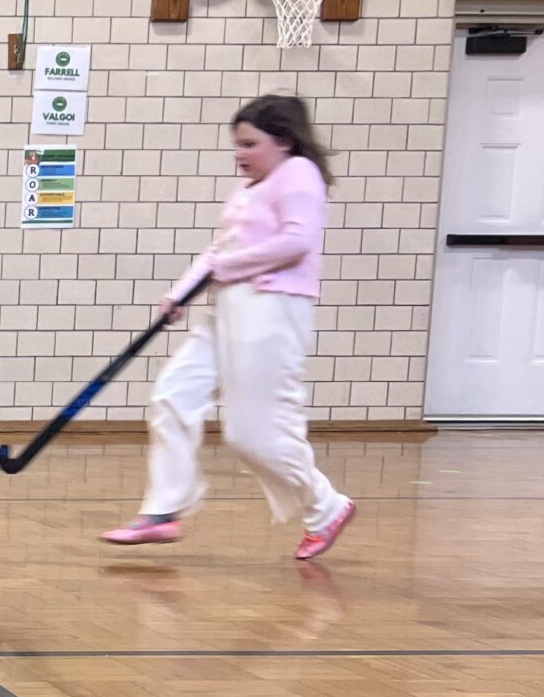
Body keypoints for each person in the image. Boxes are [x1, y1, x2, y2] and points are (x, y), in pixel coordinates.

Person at [103, 94, 356, 560]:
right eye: (236, 146)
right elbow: (219, 250)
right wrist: (180, 293)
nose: (240, 155)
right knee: (173, 395)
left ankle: (327, 506)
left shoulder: (298, 173)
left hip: (272, 308)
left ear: (283, 141)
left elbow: (297, 242)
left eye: (249, 144)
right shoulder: (248, 190)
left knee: (250, 433)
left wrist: (230, 266)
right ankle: (163, 511)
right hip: (228, 306)